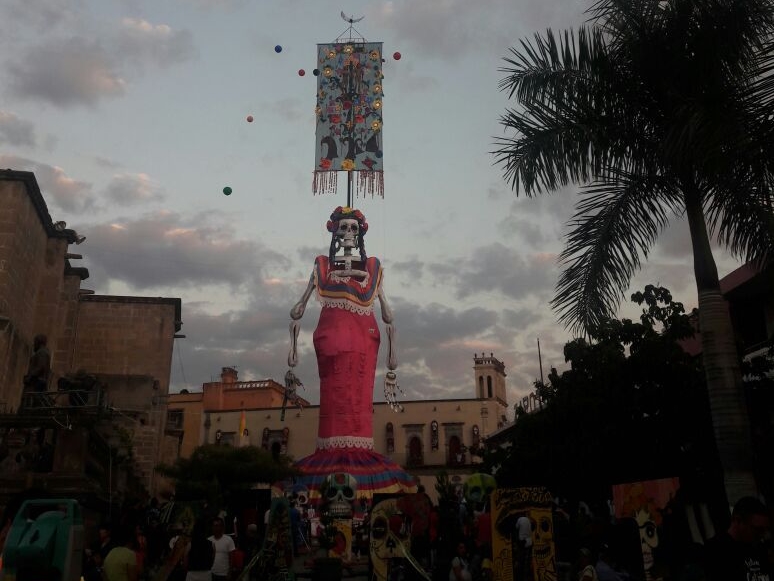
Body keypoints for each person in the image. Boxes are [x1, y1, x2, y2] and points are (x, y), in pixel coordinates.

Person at [704, 496, 771, 581]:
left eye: (765, 530)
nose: (762, 535)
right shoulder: (716, 549)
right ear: (738, 521)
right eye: (757, 529)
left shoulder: (759, 547)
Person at [208, 516, 235, 581]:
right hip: (211, 573)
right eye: (214, 526)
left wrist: (230, 572)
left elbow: (232, 558)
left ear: (222, 527)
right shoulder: (208, 540)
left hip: (224, 574)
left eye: (218, 526)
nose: (216, 528)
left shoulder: (228, 539)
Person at [515, 513, 532, 581]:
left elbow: (516, 527)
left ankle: (521, 577)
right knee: (527, 561)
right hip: (529, 541)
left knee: (521, 560)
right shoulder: (528, 519)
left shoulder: (519, 519)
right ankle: (526, 576)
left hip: (522, 542)